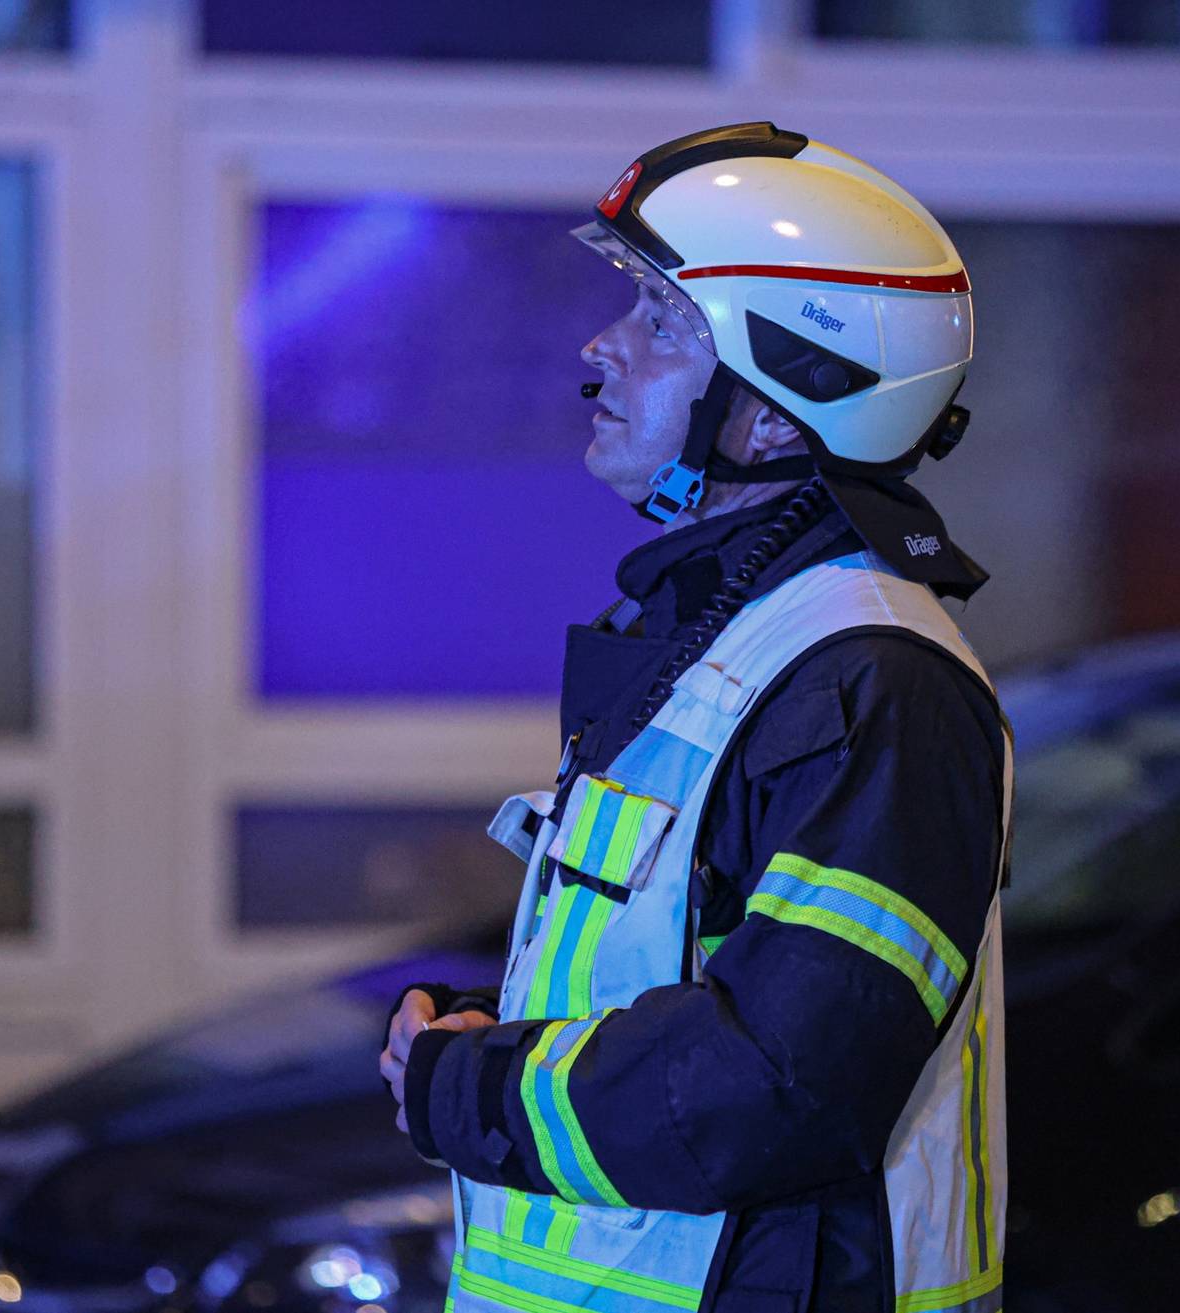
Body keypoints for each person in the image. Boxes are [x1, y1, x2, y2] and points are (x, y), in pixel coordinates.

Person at [378, 122, 1014, 1313]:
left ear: (773, 413)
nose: (604, 345)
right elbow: (683, 980)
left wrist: (472, 1086)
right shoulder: (741, 638)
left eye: (664, 320)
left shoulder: (876, 682)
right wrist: (503, 1036)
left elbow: (784, 1079)